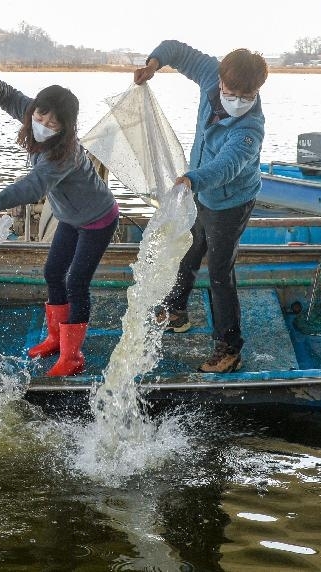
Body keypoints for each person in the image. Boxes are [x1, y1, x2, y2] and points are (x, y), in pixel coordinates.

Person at [134, 42, 268, 374]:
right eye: (231, 92)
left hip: (231, 202)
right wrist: (154, 65)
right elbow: (175, 50)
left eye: (246, 96)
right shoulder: (211, 74)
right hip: (198, 192)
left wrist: (190, 179)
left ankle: (230, 347)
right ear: (220, 80)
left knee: (220, 273)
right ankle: (175, 311)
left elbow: (226, 167)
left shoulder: (250, 129)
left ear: (256, 92)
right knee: (188, 251)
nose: (237, 101)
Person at [0, 73, 119, 377]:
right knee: (53, 272)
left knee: (76, 282)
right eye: (41, 114)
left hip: (97, 219)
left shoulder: (62, 155)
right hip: (69, 216)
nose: (43, 123)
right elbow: (16, 102)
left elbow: (34, 186)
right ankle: (56, 338)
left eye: (54, 123)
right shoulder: (33, 116)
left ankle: (72, 356)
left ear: (66, 127)